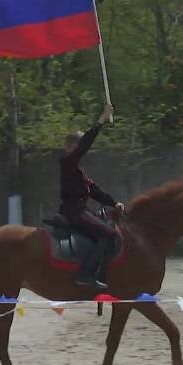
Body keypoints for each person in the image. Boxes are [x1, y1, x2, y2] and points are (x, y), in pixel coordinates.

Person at [58, 103, 124, 289]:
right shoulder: (66, 162)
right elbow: (85, 143)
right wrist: (102, 119)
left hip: (82, 209)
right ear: (70, 146)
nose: (82, 150)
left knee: (110, 227)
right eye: (79, 145)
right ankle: (85, 274)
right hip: (73, 210)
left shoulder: (78, 171)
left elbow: (94, 190)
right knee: (109, 235)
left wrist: (114, 203)